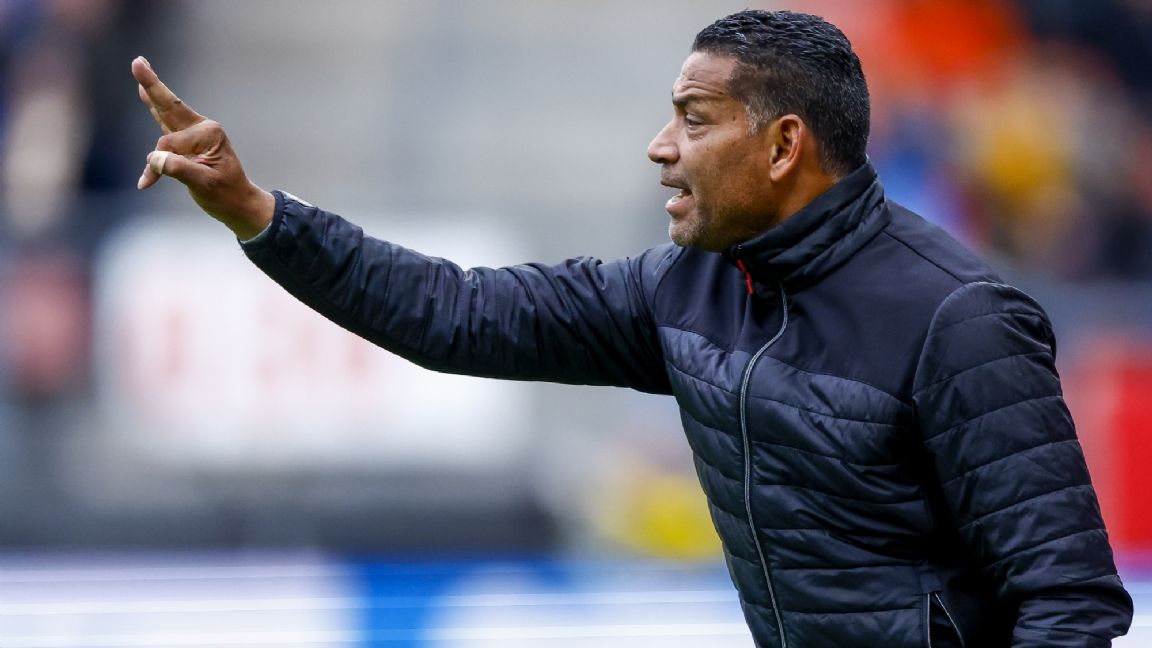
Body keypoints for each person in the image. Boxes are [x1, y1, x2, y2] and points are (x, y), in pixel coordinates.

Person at [131, 10, 1133, 647]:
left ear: (784, 145)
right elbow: (457, 314)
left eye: (694, 118)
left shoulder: (958, 317)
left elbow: (1071, 602)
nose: (660, 147)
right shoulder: (684, 290)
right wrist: (261, 215)